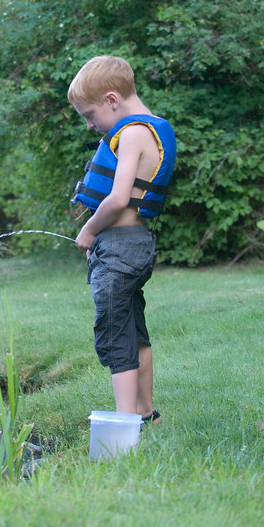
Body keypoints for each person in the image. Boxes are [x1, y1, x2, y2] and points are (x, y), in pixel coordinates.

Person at [67, 55, 176, 422]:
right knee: (134, 330)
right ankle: (145, 413)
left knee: (115, 334)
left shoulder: (131, 134)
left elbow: (117, 198)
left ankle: (125, 422)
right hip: (134, 244)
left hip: (122, 245)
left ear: (112, 100)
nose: (89, 125)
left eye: (90, 114)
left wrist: (90, 230)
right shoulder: (151, 128)